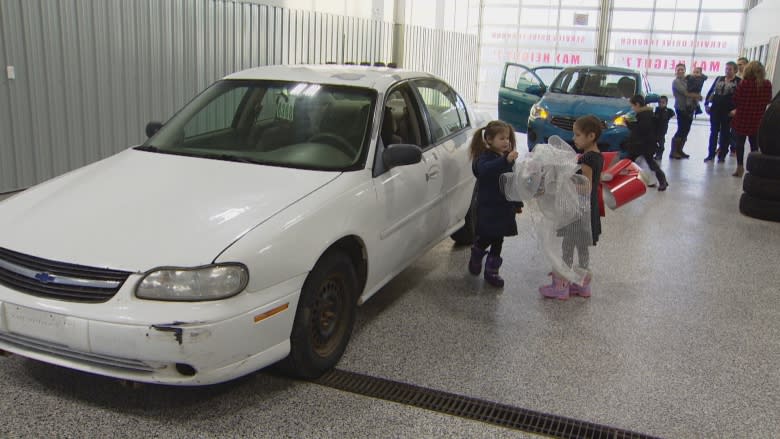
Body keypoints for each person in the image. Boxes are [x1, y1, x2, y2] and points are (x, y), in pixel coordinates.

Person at [539, 115, 603, 300]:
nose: (574, 139)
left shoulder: (588, 158)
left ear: (591, 136)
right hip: (589, 211)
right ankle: (582, 285)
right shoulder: (597, 156)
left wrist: (563, 180)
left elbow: (586, 186)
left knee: (568, 247)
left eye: (577, 135)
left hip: (578, 212)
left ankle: (562, 285)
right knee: (582, 248)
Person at [467, 120, 522, 287]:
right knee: (487, 235)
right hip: (489, 207)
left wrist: (517, 202)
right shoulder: (484, 157)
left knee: (499, 239)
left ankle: (492, 271)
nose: (506, 142)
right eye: (501, 138)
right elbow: (485, 171)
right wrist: (505, 161)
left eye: (507, 138)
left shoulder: (507, 158)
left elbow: (512, 182)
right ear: (489, 140)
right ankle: (477, 251)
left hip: (505, 207)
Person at [730, 61, 773, 177]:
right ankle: (755, 167)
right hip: (757, 119)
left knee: (740, 144)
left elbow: (735, 100)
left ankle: (739, 168)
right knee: (754, 145)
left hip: (742, 118)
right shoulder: (767, 84)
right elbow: (768, 100)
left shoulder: (744, 84)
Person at [624, 95, 669, 191]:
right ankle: (661, 180)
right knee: (636, 161)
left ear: (637, 104)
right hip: (643, 144)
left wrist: (628, 124)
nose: (632, 108)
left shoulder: (645, 115)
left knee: (643, 162)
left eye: (633, 106)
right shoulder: (646, 113)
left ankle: (662, 181)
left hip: (644, 144)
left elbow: (640, 129)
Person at [703, 61, 740, 162]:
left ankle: (722, 154)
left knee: (725, 133)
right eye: (726, 69)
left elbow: (741, 98)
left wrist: (736, 110)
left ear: (735, 70)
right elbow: (712, 91)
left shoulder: (738, 82)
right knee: (713, 132)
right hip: (715, 109)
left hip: (728, 111)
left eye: (730, 69)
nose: (727, 71)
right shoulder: (719, 79)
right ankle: (711, 154)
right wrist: (707, 104)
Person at [671, 63, 702, 159]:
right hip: (681, 108)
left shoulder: (688, 80)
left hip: (690, 108)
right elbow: (686, 92)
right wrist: (697, 96)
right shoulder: (676, 82)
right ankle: (674, 151)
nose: (680, 71)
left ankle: (680, 150)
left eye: (682, 69)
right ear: (675, 71)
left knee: (686, 130)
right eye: (678, 69)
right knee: (681, 129)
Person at [654, 95, 675, 160]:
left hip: (662, 130)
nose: (661, 104)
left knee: (661, 143)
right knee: (653, 142)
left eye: (663, 102)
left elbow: (672, 114)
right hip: (655, 129)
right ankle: (657, 153)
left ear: (666, 103)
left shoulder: (668, 111)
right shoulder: (657, 109)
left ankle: (659, 155)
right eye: (659, 102)